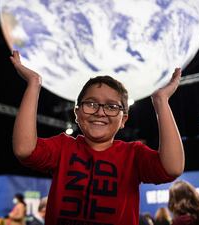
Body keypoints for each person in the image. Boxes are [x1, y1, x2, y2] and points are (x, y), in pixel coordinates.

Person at [10, 49, 184, 225]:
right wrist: (34, 84)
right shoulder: (63, 147)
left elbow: (173, 168)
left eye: (111, 106)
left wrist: (161, 101)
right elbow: (24, 149)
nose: (100, 112)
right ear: (77, 113)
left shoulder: (132, 154)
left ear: (123, 119)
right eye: (91, 104)